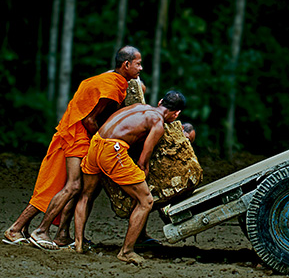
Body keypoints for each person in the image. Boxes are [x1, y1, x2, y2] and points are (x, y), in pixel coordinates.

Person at [3, 46, 143, 249]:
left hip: (73, 132)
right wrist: (100, 143)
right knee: (73, 186)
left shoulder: (110, 79)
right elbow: (89, 120)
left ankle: (54, 234)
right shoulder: (111, 87)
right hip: (76, 135)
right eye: (138, 64)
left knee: (59, 185)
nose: (140, 68)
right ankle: (35, 230)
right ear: (126, 65)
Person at [73, 91, 186, 265]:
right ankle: (126, 251)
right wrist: (141, 182)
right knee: (146, 201)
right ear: (177, 113)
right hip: (113, 150)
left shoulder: (138, 107)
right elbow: (143, 162)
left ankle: (78, 244)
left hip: (96, 144)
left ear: (160, 102)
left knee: (86, 195)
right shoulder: (158, 123)